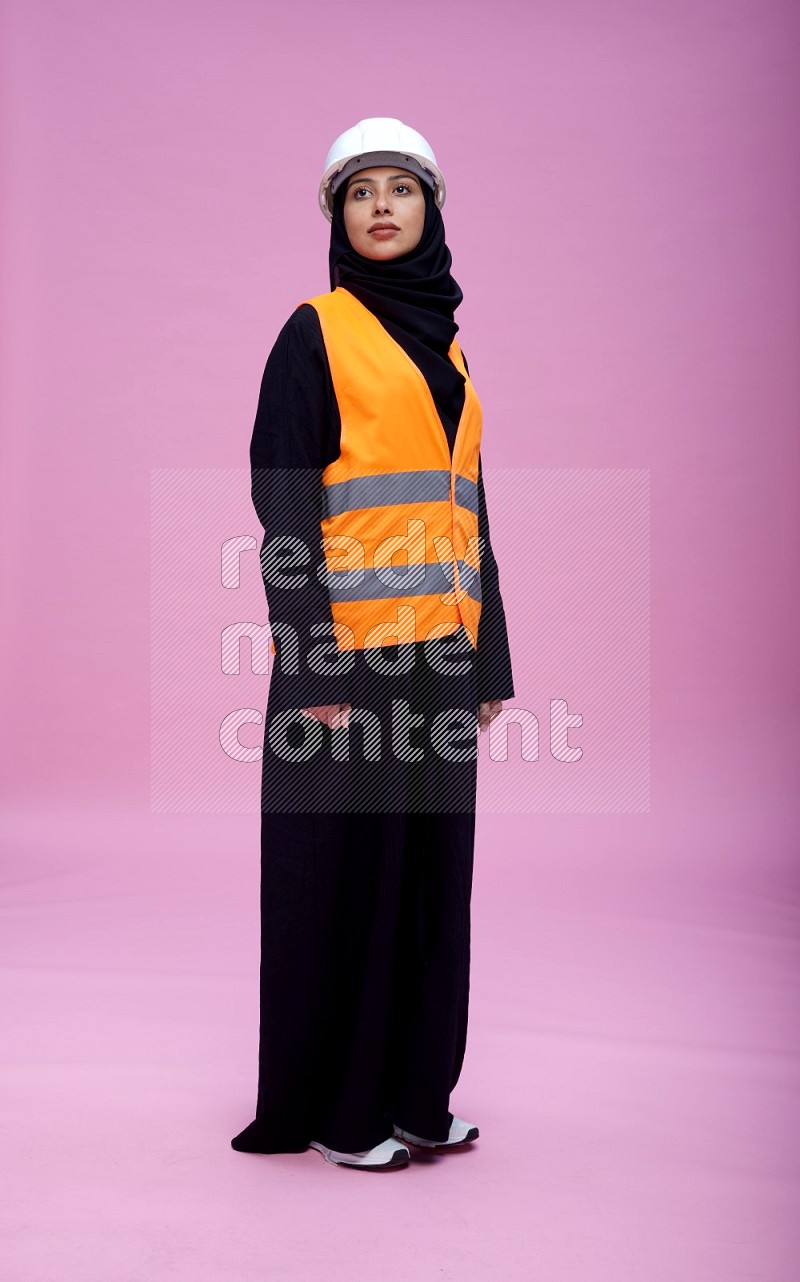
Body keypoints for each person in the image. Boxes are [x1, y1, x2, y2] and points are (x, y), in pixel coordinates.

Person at [231, 118, 515, 1170]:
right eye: (361, 193)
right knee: (348, 881)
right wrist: (311, 667)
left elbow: (466, 508)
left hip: (440, 661)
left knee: (434, 882)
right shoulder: (313, 332)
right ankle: (343, 1113)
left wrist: (487, 662)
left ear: (431, 210)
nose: (382, 206)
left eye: (402, 188)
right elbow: (284, 513)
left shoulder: (447, 345)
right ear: (338, 217)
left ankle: (415, 1099)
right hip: (349, 671)